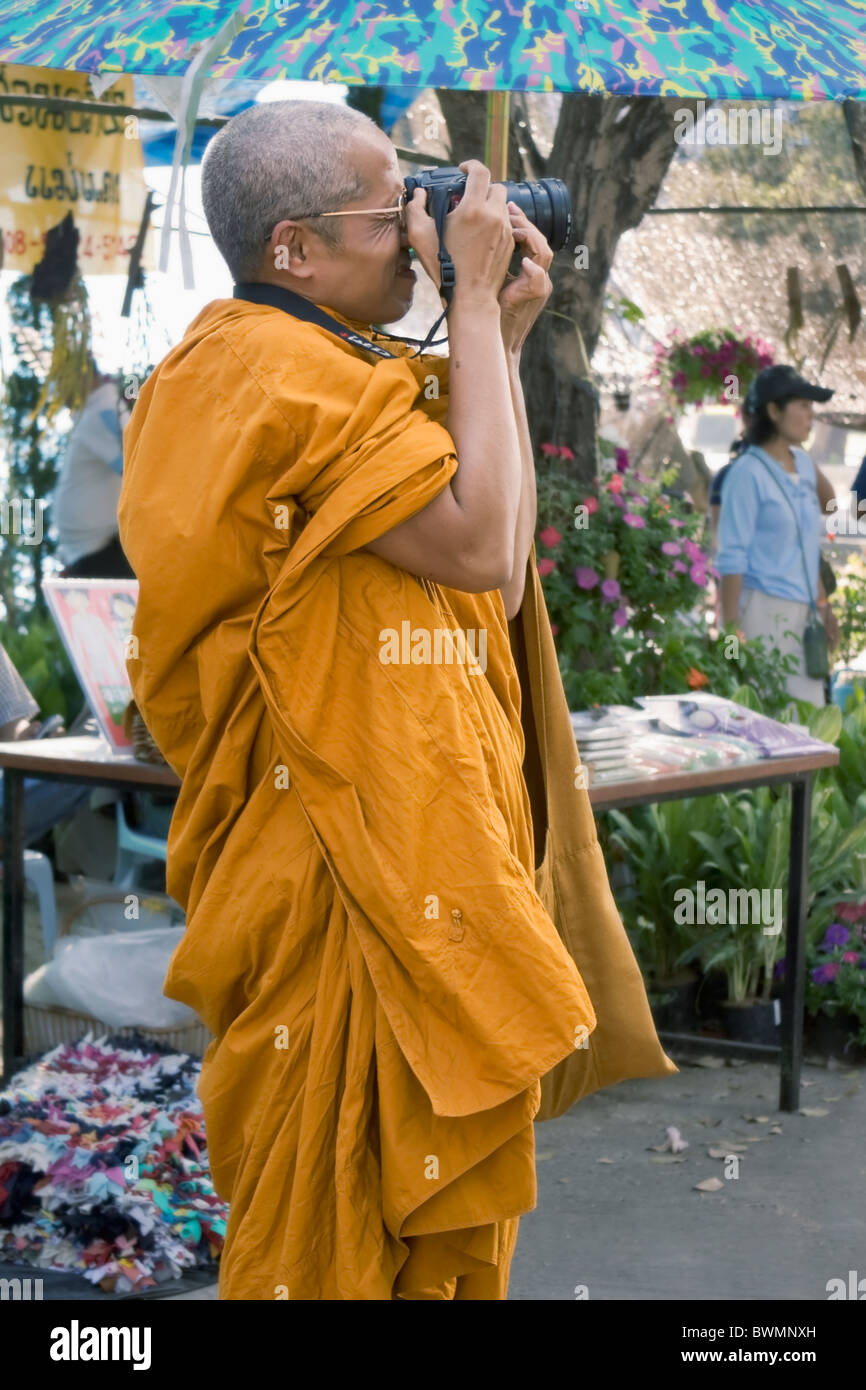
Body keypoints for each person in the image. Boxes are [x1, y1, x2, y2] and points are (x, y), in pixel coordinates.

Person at [118, 100, 673, 1301]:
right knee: (325, 1210)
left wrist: (499, 339)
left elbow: (497, 528)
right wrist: (465, 305)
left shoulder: (341, 368)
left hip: (405, 843)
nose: (426, 228)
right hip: (330, 863)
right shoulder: (259, 376)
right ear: (294, 251)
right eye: (394, 211)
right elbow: (479, 548)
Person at [716, 364, 838, 704]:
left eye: (812, 408)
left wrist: (823, 604)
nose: (810, 416)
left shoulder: (802, 464)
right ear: (773, 410)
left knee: (810, 726)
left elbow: (827, 513)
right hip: (762, 612)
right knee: (769, 723)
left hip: (805, 613)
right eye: (802, 406)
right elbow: (731, 557)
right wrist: (730, 633)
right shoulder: (747, 473)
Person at [52, 366, 135, 579]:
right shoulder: (99, 411)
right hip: (93, 550)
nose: (60, 395)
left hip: (99, 551)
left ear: (83, 378)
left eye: (62, 385)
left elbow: (134, 466)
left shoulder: (101, 412)